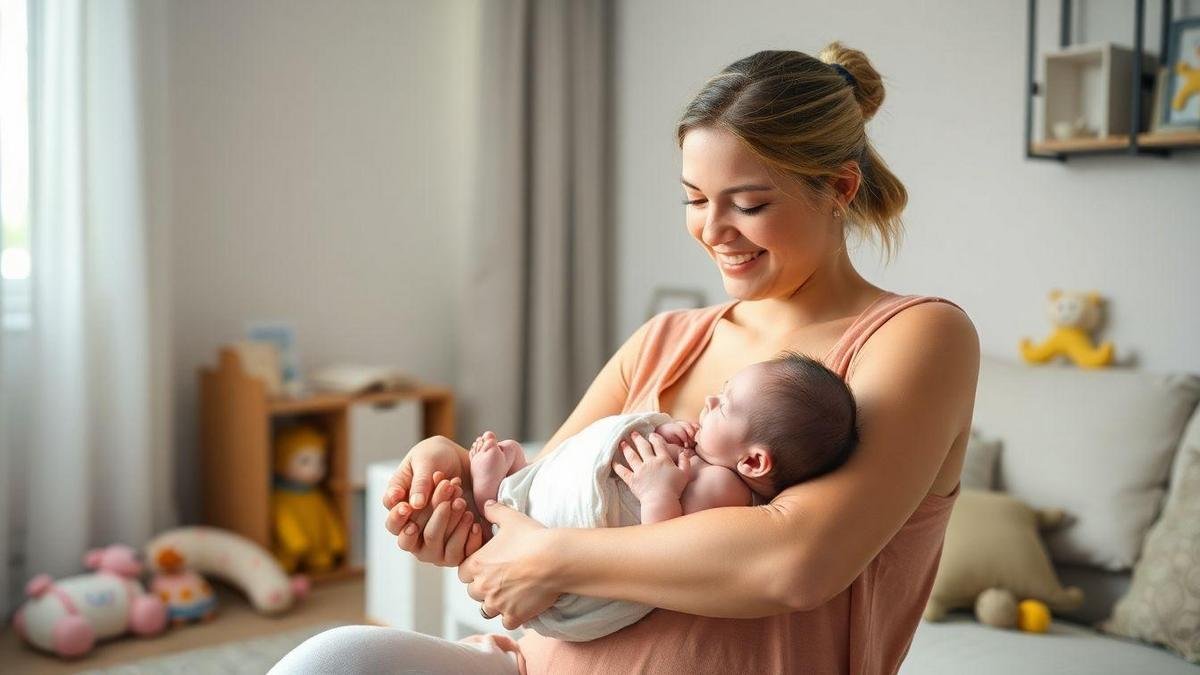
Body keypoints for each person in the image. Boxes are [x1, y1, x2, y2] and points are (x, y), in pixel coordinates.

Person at [271, 42, 979, 674]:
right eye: (695, 198)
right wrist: (448, 477)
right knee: (332, 659)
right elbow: (535, 506)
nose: (712, 229)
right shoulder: (664, 340)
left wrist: (546, 558)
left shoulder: (916, 337)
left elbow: (795, 561)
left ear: (840, 189)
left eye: (749, 202)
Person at [453, 352, 859, 642]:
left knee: (554, 518)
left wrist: (657, 491)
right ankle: (513, 489)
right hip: (570, 548)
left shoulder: (725, 489)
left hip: (595, 571)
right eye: (721, 391)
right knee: (562, 486)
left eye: (725, 406)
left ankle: (495, 502)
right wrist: (668, 433)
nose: (709, 401)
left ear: (753, 462)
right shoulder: (709, 456)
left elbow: (665, 551)